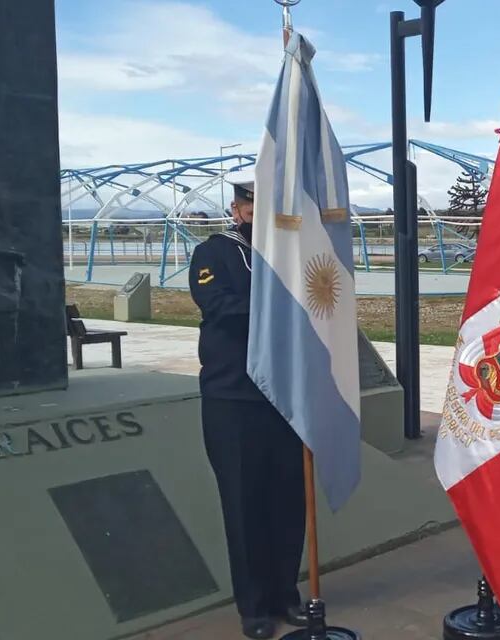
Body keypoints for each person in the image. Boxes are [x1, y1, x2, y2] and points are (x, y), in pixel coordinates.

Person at [189, 172, 307, 640]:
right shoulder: (214, 253)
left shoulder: (291, 257)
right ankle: (254, 605)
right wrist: (279, 304)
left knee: (287, 503)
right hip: (233, 399)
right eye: (253, 210)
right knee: (244, 504)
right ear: (238, 210)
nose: (261, 220)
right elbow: (220, 308)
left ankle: (286, 593)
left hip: (284, 399)